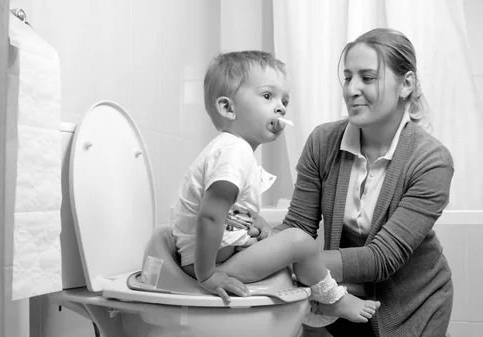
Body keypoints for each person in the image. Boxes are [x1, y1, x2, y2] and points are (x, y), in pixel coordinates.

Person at [170, 50, 381, 325]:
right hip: (207, 264)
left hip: (214, 257)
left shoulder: (233, 150)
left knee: (287, 246)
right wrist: (207, 275)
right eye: (268, 96)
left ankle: (320, 296)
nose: (280, 107)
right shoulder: (233, 153)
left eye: (284, 100)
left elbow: (227, 209)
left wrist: (254, 221)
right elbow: (209, 216)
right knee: (300, 242)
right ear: (228, 108)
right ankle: (333, 300)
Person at [273, 28, 455, 337]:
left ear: (406, 85)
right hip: (340, 300)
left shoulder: (431, 160)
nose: (351, 90)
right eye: (347, 77)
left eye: (367, 78)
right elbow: (298, 227)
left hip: (412, 308)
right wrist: (246, 245)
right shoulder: (323, 141)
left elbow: (381, 259)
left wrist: (297, 260)